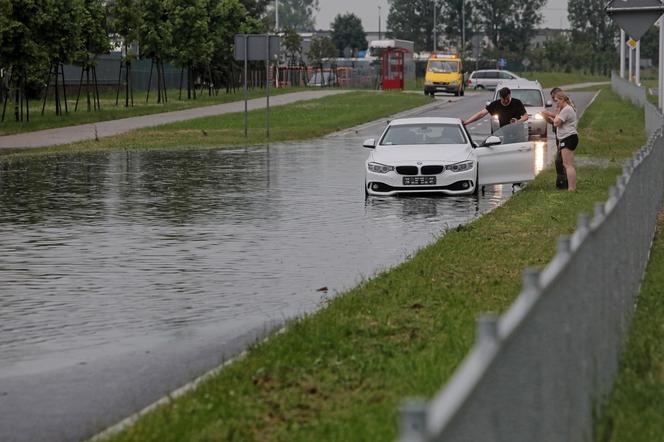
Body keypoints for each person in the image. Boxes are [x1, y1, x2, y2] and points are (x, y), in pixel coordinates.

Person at [548, 90, 578, 192]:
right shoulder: (564, 109)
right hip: (567, 137)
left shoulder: (566, 109)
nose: (556, 103)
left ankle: (571, 188)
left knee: (567, 164)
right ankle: (570, 187)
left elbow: (556, 123)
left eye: (556, 100)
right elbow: (557, 122)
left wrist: (555, 114)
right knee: (567, 164)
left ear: (562, 99)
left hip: (569, 137)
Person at [462, 87, 528, 128]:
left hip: (517, 132)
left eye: (507, 98)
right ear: (500, 97)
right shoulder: (495, 104)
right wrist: (467, 122)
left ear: (510, 94)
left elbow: (526, 116)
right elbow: (481, 114)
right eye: (503, 99)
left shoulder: (517, 102)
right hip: (503, 132)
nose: (506, 101)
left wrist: (518, 121)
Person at [542, 87, 568, 190]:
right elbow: (555, 122)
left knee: (561, 160)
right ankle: (561, 182)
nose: (553, 100)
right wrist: (546, 118)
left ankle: (564, 183)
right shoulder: (559, 106)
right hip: (558, 135)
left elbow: (558, 119)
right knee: (559, 161)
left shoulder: (565, 106)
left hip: (564, 136)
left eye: (554, 98)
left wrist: (547, 113)